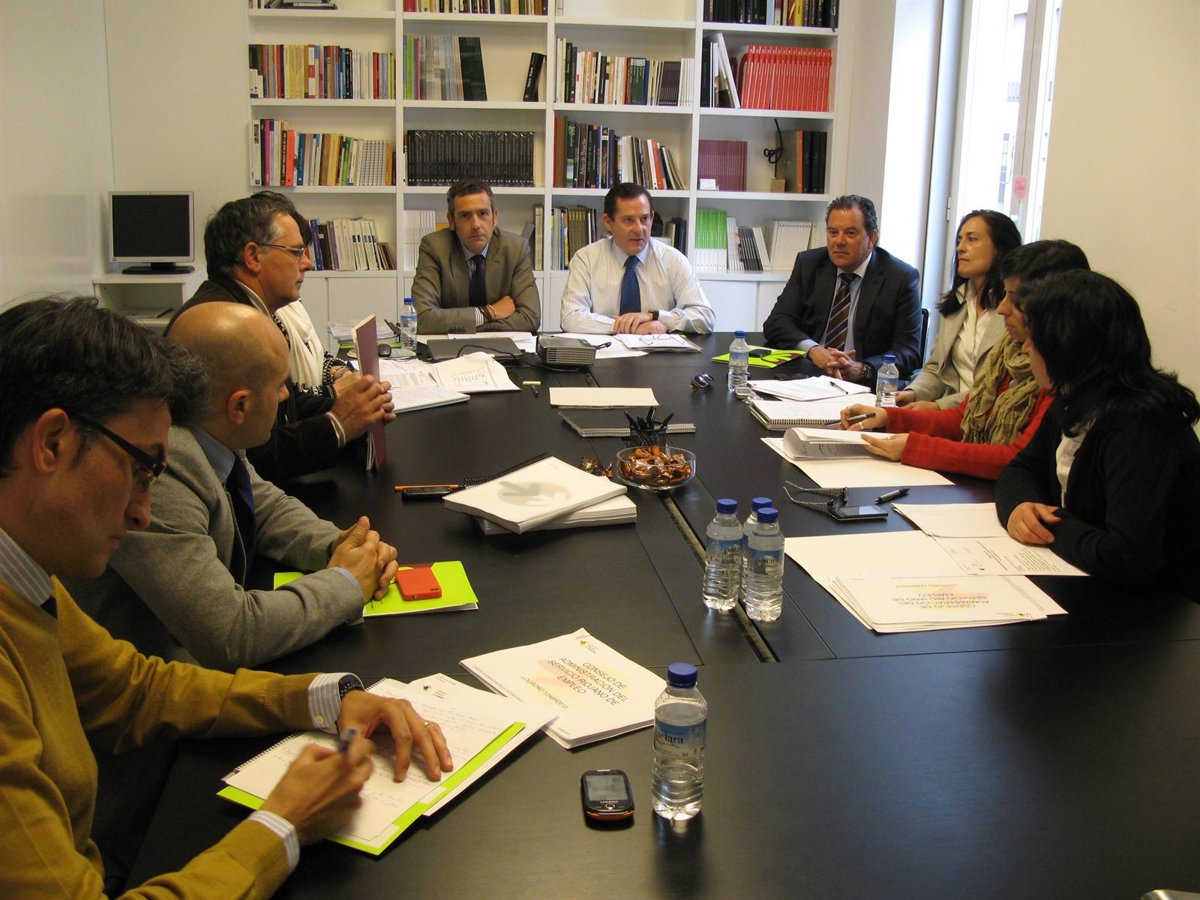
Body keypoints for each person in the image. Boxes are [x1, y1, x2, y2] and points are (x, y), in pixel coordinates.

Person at [0, 296, 452, 899]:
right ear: (52, 444)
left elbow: (136, 690)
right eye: (139, 471)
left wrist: (327, 696)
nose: (142, 514)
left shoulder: (28, 578)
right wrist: (283, 825)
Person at [67, 302, 398, 671]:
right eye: (279, 386)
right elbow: (232, 633)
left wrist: (339, 544)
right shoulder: (161, 469)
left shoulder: (212, 428)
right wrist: (346, 582)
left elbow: (264, 504)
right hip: (161, 686)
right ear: (239, 406)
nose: (286, 397)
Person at [172, 191, 395, 485]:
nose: (308, 263)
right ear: (253, 256)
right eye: (295, 252)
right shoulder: (229, 329)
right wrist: (337, 425)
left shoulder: (248, 309)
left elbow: (284, 408)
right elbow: (256, 458)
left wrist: (355, 407)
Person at [996, 272, 1200, 592]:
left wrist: (1050, 523)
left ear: (1068, 346)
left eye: (1036, 338)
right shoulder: (1074, 397)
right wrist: (1019, 505)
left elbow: (1128, 557)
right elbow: (1021, 468)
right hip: (1089, 582)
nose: (1026, 347)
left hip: (1154, 607)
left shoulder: (1140, 427)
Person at [839, 240, 1090, 479]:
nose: (1002, 308)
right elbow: (964, 417)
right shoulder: (1008, 350)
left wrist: (917, 447)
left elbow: (1017, 459)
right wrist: (888, 418)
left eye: (1015, 299)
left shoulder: (1057, 370)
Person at [763, 194, 922, 385]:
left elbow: (908, 351)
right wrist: (813, 350)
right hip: (808, 377)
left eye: (850, 233)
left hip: (863, 385)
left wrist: (863, 369)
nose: (839, 241)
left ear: (872, 238)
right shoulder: (810, 264)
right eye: (833, 232)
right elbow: (777, 322)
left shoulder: (900, 278)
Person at [896, 210, 1021, 408]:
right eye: (959, 240)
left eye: (972, 239)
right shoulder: (958, 302)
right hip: (947, 409)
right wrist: (913, 393)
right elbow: (936, 368)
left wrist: (939, 407)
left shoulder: (1013, 311)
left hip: (985, 415)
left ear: (999, 248)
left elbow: (999, 388)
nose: (960, 248)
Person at [560, 182, 715, 335]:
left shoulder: (673, 260)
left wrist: (656, 316)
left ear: (652, 217)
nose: (639, 229)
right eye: (628, 220)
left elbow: (705, 317)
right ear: (608, 222)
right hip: (605, 350)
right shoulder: (586, 259)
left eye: (644, 219)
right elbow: (570, 317)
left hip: (658, 350)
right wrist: (626, 327)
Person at [411, 178, 541, 333]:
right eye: (465, 216)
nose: (476, 225)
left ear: (495, 217)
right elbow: (422, 318)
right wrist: (489, 313)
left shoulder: (516, 249)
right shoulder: (434, 247)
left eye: (483, 213)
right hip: (450, 347)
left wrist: (470, 325)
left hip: (501, 346)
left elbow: (530, 318)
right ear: (451, 221)